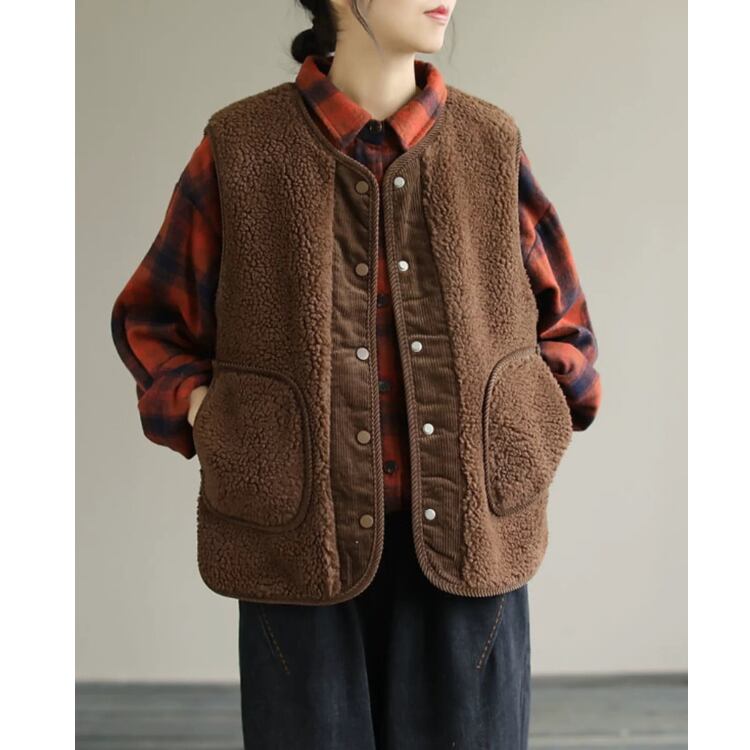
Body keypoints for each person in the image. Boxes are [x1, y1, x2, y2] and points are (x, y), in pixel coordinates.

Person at [110, 1, 602, 747]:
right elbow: (152, 321)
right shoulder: (241, 147)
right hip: (298, 544)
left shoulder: (489, 142)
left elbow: (567, 330)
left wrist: (519, 433)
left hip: (472, 543)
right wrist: (219, 422)